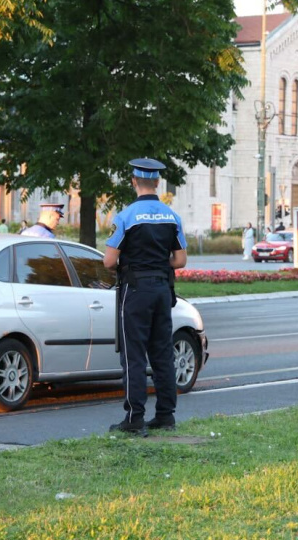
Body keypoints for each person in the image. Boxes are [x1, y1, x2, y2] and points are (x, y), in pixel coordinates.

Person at [103, 158, 187, 435]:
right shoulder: (171, 216)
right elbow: (180, 260)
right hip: (163, 289)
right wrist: (158, 265)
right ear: (158, 183)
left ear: (134, 181)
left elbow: (108, 260)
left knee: (134, 355)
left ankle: (135, 418)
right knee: (162, 353)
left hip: (135, 291)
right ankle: (165, 415)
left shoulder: (126, 216)